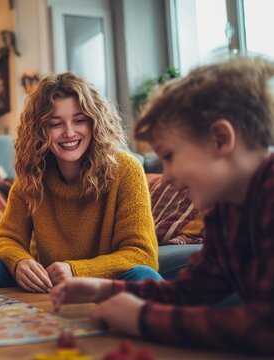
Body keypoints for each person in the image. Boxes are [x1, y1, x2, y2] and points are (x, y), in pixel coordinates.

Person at [50, 57, 274, 355]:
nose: (166, 177)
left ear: (220, 139)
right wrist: (105, 289)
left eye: (169, 156)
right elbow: (189, 291)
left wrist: (141, 317)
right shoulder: (226, 211)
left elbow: (264, 327)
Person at [0, 72, 161, 292]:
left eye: (79, 120)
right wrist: (20, 262)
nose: (69, 133)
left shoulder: (127, 169)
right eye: (55, 124)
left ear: (94, 123)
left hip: (106, 288)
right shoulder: (32, 174)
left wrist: (76, 270)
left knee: (144, 276)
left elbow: (142, 254)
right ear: (40, 130)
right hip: (49, 288)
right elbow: (4, 238)